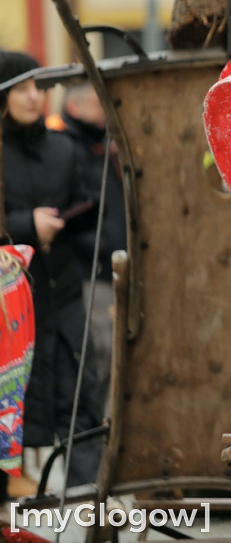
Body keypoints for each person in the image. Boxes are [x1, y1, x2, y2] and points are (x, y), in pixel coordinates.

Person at [0, 51, 105, 491]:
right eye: (22, 88)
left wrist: (65, 219)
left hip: (60, 300)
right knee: (8, 413)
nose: (33, 97)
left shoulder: (64, 148)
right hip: (9, 310)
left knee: (79, 403)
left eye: (38, 88)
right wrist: (27, 225)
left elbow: (87, 204)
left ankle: (90, 510)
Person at [46, 79, 126, 412]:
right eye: (96, 104)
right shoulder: (65, 147)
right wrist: (94, 245)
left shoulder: (104, 145)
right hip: (87, 270)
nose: (103, 111)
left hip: (112, 266)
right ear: (75, 106)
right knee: (99, 350)